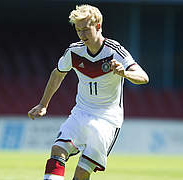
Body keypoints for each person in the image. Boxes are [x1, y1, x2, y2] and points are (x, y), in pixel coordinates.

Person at [28, 4, 149, 180]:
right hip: (81, 112)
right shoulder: (74, 51)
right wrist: (43, 104)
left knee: (82, 172)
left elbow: (143, 77)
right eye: (78, 30)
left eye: (86, 29)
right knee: (57, 150)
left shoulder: (114, 51)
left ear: (98, 26)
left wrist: (124, 73)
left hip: (107, 119)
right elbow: (57, 74)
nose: (82, 35)